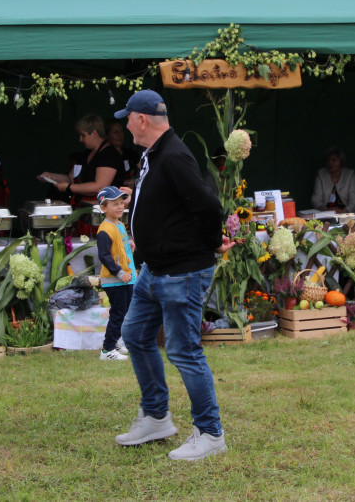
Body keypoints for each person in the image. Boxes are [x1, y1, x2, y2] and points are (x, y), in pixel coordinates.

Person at [113, 90, 232, 462]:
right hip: (156, 269)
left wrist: (213, 242)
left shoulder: (174, 154)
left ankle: (210, 433)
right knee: (134, 334)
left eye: (127, 117)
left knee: (184, 350)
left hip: (181, 271)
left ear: (142, 120)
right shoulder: (156, 153)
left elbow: (210, 205)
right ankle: (157, 416)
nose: (125, 124)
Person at [40, 114, 124, 216]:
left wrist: (69, 188)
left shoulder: (109, 155)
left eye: (83, 135)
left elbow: (99, 186)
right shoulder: (85, 154)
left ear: (94, 133)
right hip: (82, 210)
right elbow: (72, 178)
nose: (80, 140)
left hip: (101, 213)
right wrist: (53, 177)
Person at [96, 186, 136, 361]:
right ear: (103, 208)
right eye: (114, 204)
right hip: (115, 280)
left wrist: (130, 246)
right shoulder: (105, 230)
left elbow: (119, 247)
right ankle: (107, 350)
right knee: (119, 313)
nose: (120, 207)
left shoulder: (119, 224)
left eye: (121, 203)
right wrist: (119, 273)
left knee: (124, 311)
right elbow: (104, 256)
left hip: (126, 277)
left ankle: (115, 341)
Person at [311, 147, 355, 213]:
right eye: (328, 160)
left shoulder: (350, 175)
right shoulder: (321, 174)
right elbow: (316, 199)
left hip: (346, 214)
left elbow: (354, 200)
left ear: (341, 162)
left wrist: (344, 211)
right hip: (325, 214)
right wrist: (326, 210)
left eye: (334, 160)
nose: (330, 163)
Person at [106, 118, 138, 188]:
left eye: (121, 132)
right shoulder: (106, 156)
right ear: (107, 135)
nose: (120, 135)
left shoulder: (130, 153)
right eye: (116, 132)